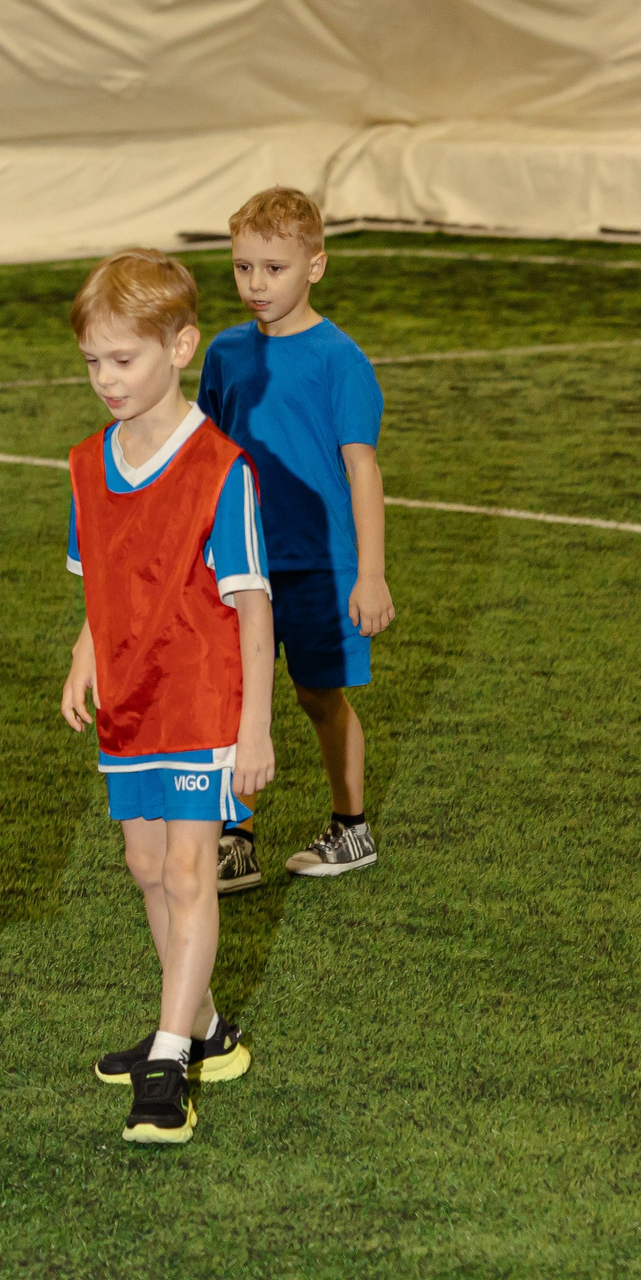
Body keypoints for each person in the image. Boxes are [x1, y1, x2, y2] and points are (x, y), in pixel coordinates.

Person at [61, 250, 274, 1145]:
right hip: (130, 701)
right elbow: (98, 577)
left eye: (124, 359)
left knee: (189, 873)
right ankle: (205, 1027)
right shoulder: (86, 463)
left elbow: (253, 606)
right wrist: (86, 653)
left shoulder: (222, 468)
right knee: (146, 867)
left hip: (200, 696)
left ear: (181, 347)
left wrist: (255, 727)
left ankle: (169, 1060)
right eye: (93, 361)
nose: (106, 379)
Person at [198, 186, 393, 889]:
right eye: (243, 267)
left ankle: (351, 827)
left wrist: (370, 574)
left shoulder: (340, 359)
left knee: (319, 696)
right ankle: (236, 838)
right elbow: (206, 457)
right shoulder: (225, 354)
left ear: (316, 266)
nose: (256, 284)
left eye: (274, 269)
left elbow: (362, 469)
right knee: (231, 698)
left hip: (320, 565)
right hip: (241, 565)